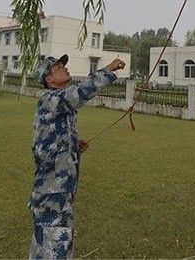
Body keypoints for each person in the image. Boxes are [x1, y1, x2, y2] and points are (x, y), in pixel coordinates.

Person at [28, 54, 125, 259]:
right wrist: (109, 68)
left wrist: (73, 145)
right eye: (58, 66)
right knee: (56, 251)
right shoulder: (51, 99)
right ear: (49, 79)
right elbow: (82, 91)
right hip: (53, 193)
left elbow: (45, 143)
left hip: (54, 191)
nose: (65, 68)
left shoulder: (59, 106)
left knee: (43, 249)